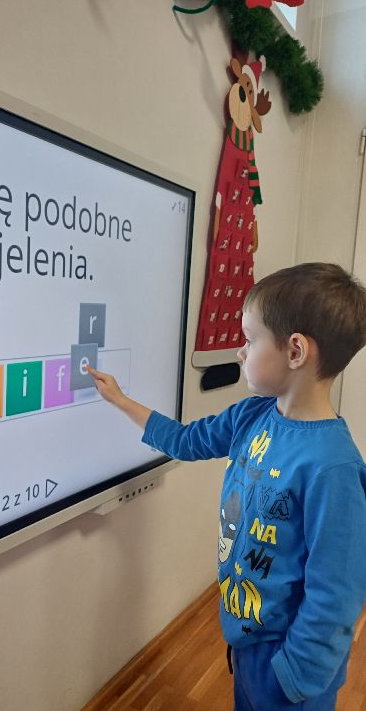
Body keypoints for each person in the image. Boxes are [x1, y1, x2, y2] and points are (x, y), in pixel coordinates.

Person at [87, 262, 366, 711]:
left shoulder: (333, 467)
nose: (240, 351)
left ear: (296, 351)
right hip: (246, 642)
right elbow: (186, 441)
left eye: (250, 339)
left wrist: (291, 678)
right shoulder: (252, 415)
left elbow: (337, 593)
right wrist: (121, 401)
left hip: (290, 673)